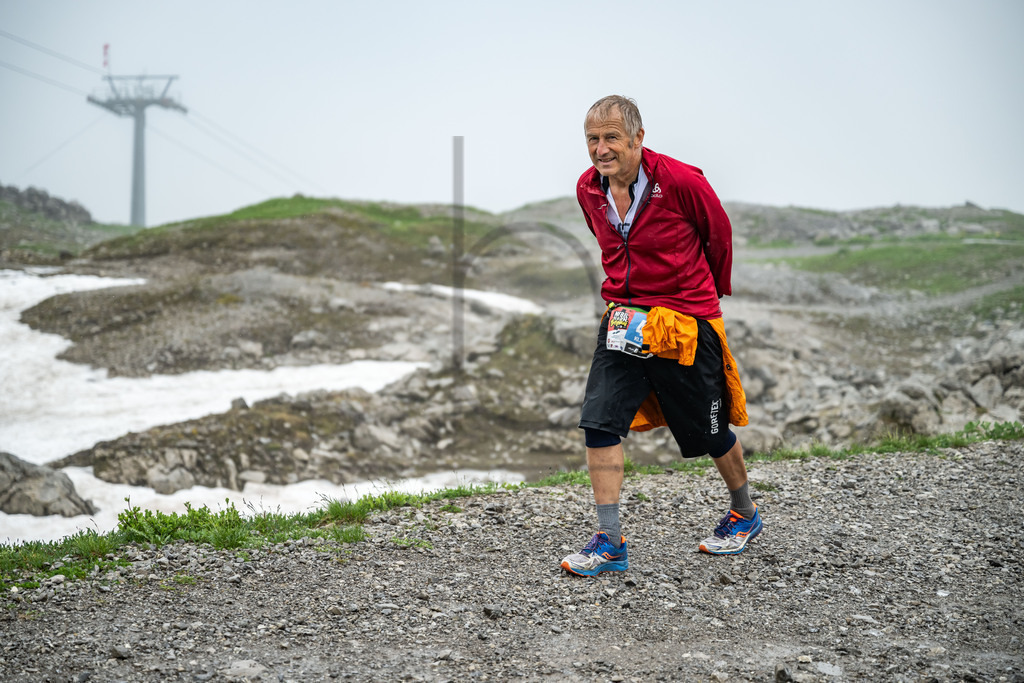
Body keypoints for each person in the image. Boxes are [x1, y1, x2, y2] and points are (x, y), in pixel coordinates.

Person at [560, 95, 762, 577]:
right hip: (624, 319)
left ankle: (744, 513)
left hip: (683, 322)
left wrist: (701, 299)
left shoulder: (681, 181)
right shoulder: (588, 189)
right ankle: (610, 542)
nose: (601, 149)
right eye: (592, 139)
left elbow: (719, 236)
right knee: (599, 423)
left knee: (709, 430)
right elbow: (609, 243)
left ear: (638, 138)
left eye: (611, 137)